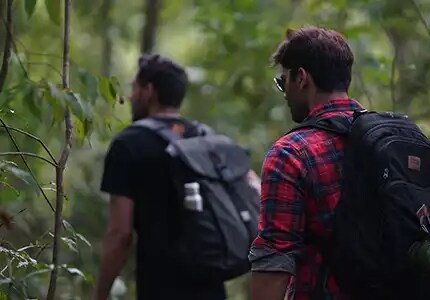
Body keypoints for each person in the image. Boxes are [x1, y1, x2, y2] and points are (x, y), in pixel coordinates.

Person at [95, 54, 228, 300]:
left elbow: (120, 234)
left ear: (149, 91)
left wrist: (101, 294)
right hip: (212, 288)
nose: (132, 97)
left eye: (135, 89)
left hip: (160, 288)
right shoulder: (205, 138)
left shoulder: (128, 144)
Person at [248, 26, 362, 300]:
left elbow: (274, 260)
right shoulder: (388, 138)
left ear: (301, 78)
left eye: (283, 80)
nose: (284, 91)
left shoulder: (292, 153)